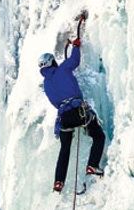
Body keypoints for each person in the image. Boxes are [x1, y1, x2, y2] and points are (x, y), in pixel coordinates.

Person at [39, 15, 105, 193]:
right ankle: (92, 165)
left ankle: (58, 182)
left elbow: (55, 102)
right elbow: (74, 61)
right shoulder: (63, 69)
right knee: (98, 135)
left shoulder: (46, 84)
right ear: (52, 62)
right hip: (78, 111)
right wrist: (76, 46)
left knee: (65, 149)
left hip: (64, 118)